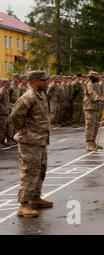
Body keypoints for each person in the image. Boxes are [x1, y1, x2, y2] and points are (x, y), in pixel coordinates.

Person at [10, 71, 52, 218]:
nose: (46, 82)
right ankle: (24, 204)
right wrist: (24, 131)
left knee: (40, 170)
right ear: (34, 81)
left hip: (40, 140)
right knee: (29, 172)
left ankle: (35, 198)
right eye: (43, 80)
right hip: (29, 141)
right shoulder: (28, 97)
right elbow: (15, 116)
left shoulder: (40, 95)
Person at [83, 72, 104, 152]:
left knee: (95, 125)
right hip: (90, 108)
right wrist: (101, 99)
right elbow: (93, 95)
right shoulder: (90, 84)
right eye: (96, 77)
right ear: (92, 78)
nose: (98, 78)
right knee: (90, 126)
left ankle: (93, 142)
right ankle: (89, 144)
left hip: (95, 107)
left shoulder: (95, 84)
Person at [0, 79, 11, 148]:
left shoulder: (5, 91)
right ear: (4, 84)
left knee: (5, 128)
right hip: (2, 113)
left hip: (5, 112)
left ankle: (3, 141)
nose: (9, 85)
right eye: (7, 84)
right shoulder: (1, 91)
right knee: (1, 129)